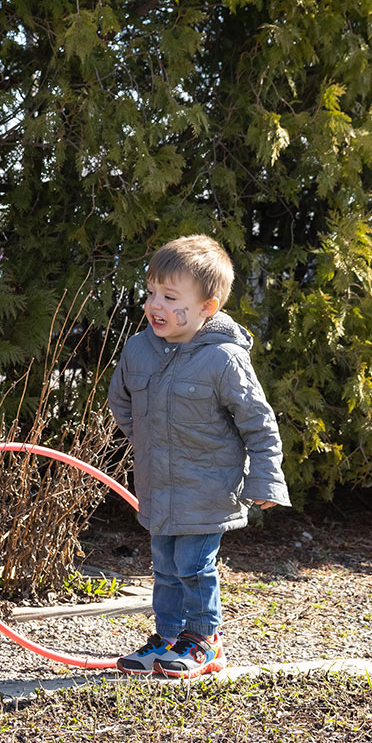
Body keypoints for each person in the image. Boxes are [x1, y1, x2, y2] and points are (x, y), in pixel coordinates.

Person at [107, 234, 290, 679]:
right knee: (166, 567)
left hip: (208, 488)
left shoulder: (223, 360)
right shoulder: (138, 350)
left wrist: (265, 480)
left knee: (194, 565)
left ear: (208, 307)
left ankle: (205, 641)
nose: (156, 305)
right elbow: (122, 402)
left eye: (170, 297)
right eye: (151, 293)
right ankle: (168, 637)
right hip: (159, 485)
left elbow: (258, 422)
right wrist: (150, 441)